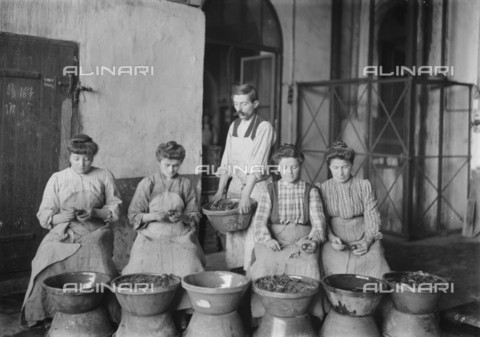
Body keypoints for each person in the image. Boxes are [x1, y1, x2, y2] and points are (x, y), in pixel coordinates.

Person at [21, 134, 122, 327]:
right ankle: (46, 311)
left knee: (96, 252)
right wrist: (62, 217)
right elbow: (45, 213)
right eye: (77, 158)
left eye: (86, 159)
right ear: (70, 157)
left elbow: (115, 209)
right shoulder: (58, 178)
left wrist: (95, 212)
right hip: (65, 229)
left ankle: (105, 311)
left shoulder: (103, 175)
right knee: (46, 254)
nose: (82, 163)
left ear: (93, 157)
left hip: (96, 228)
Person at [123, 141, 205, 315]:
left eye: (175, 166)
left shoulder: (185, 184)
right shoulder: (148, 183)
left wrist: (181, 216)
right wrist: (152, 216)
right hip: (151, 234)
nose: (171, 170)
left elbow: (195, 214)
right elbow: (133, 215)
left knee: (190, 261)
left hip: (179, 234)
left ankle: (181, 310)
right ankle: (146, 308)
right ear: (159, 161)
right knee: (139, 264)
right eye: (167, 165)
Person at [248, 144, 327, 320]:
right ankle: (264, 313)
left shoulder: (311, 190)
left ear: (300, 166)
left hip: (302, 241)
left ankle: (307, 314)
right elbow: (260, 220)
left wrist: (313, 240)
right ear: (278, 168)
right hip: (275, 240)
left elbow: (319, 221)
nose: (289, 172)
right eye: (284, 167)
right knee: (264, 266)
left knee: (309, 265)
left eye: (294, 167)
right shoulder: (271, 190)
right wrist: (267, 239)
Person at [212, 84, 276, 271]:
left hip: (256, 187)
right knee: (234, 234)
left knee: (253, 235)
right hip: (236, 185)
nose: (238, 109)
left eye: (244, 104)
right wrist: (220, 191)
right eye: (236, 104)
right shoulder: (234, 126)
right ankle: (236, 276)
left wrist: (246, 195)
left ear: (255, 103)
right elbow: (227, 161)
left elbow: (258, 165)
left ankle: (253, 277)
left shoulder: (264, 127)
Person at [316, 141, 390, 279]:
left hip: (362, 234)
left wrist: (367, 241)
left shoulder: (363, 185)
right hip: (336, 239)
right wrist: (331, 238)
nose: (341, 172)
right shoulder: (322, 188)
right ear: (329, 167)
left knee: (375, 259)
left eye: (345, 167)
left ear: (351, 165)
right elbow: (322, 220)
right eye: (336, 167)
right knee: (331, 269)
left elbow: (372, 215)